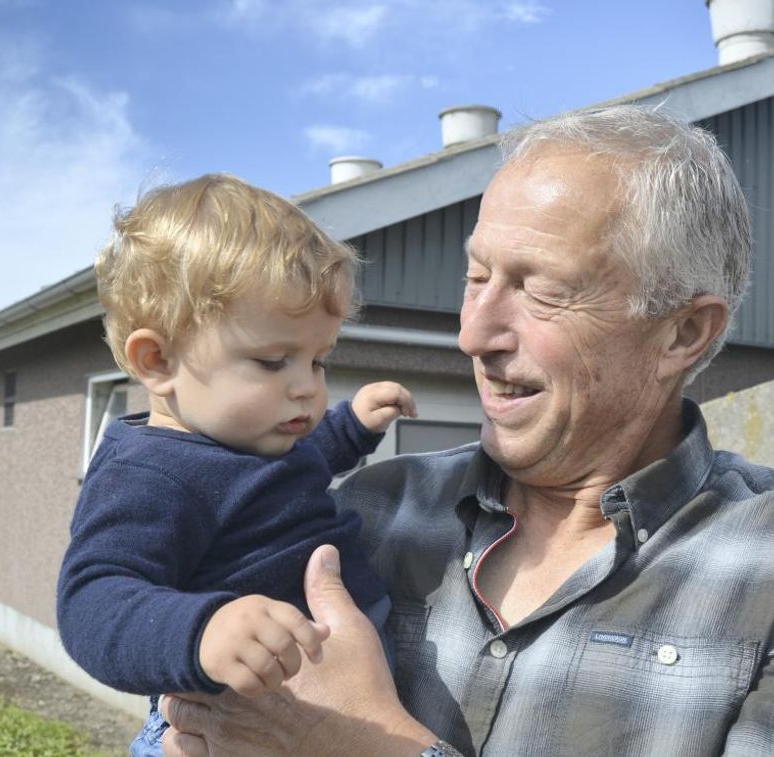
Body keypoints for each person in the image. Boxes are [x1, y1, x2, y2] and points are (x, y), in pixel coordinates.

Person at [157, 105, 774, 756]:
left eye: (541, 290)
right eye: (476, 277)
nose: (473, 334)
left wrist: (357, 741)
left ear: (682, 331)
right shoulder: (364, 512)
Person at [55, 173, 416, 755]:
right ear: (158, 360)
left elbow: (304, 463)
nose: (307, 387)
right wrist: (203, 631)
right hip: (230, 729)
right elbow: (92, 602)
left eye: (319, 360)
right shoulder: (149, 475)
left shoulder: (255, 440)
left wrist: (353, 426)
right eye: (275, 361)